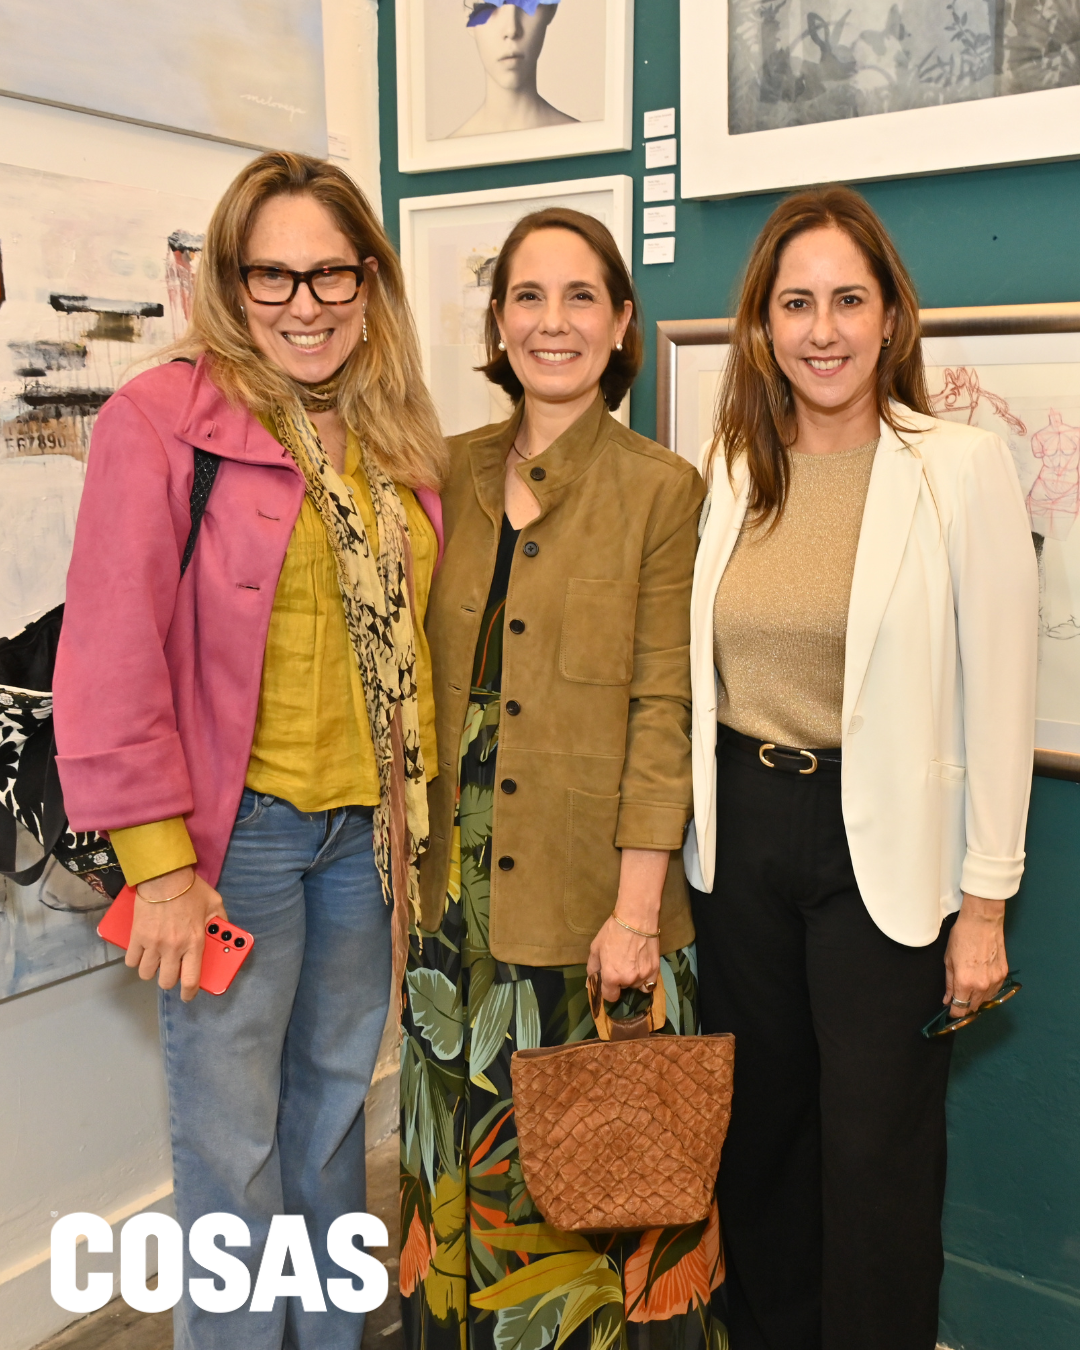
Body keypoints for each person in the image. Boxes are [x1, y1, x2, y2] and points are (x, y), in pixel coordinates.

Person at [53, 151, 447, 1350]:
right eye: (271, 274)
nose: (303, 303)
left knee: (332, 1129)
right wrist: (163, 870)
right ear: (230, 283)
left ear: (369, 281)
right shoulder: (161, 421)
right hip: (237, 849)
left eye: (330, 273)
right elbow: (109, 658)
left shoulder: (389, 435)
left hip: (365, 839)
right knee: (233, 1152)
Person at [684, 185, 1039, 1350]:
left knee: (878, 1150)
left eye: (848, 300)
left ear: (891, 317)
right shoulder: (731, 465)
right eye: (796, 303)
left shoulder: (959, 466)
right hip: (741, 836)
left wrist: (985, 906)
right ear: (762, 325)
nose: (822, 329)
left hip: (881, 846)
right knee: (762, 1139)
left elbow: (1001, 697)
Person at [399, 208, 720, 1350]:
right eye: (527, 297)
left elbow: (664, 711)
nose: (553, 322)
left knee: (594, 1195)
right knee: (459, 1182)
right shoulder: (442, 472)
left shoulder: (663, 491)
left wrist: (635, 915)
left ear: (622, 321)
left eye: (581, 296)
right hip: (453, 911)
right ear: (497, 323)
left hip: (593, 912)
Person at [452, 1, 575, 137]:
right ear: (469, 16)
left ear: (551, 9)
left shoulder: (584, 142)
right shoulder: (448, 151)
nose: (511, 30)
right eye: (490, 4)